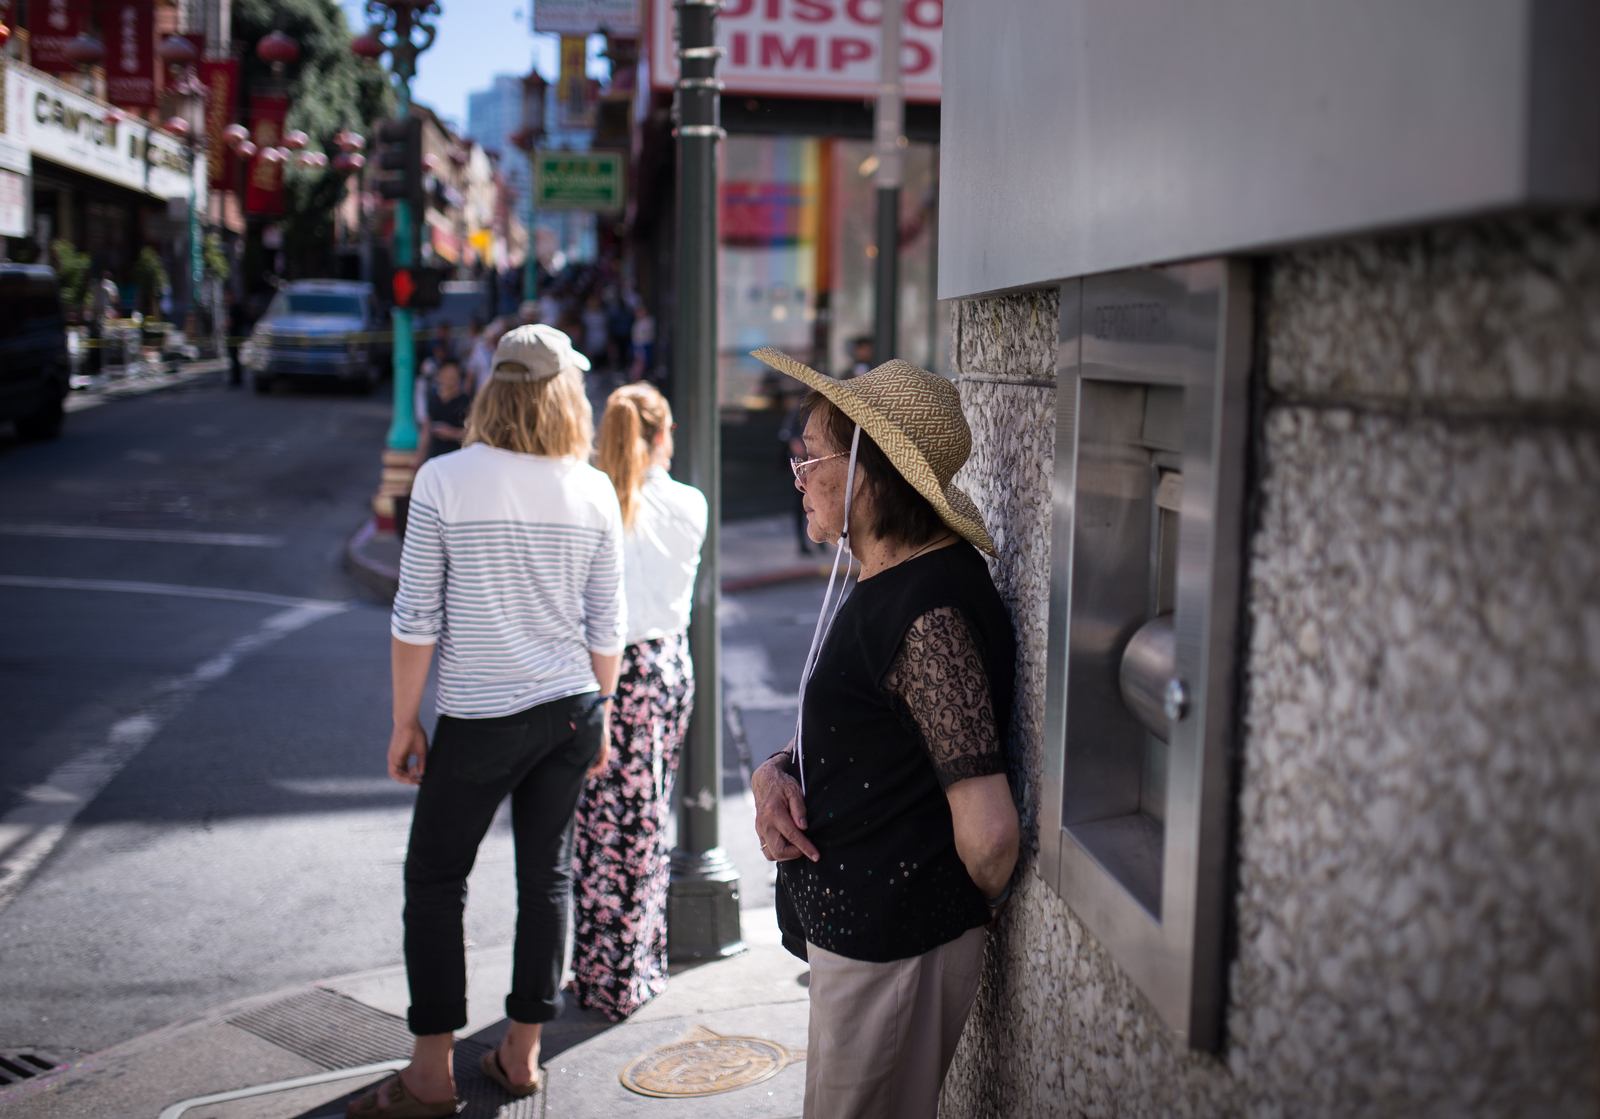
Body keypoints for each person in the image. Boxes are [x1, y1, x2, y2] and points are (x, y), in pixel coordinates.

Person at [356, 324, 624, 1118]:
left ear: (492, 389)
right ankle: (521, 1053)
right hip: (571, 711)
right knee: (546, 875)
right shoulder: (594, 488)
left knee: (436, 880)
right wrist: (601, 714)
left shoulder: (444, 479)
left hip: (479, 715)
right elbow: (607, 627)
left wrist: (407, 721)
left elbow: (415, 618)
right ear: (565, 396)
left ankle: (432, 1071)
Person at [747, 347, 1021, 1119]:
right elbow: (870, 734)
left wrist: (954, 907)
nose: (797, 475)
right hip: (864, 943)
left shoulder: (930, 611)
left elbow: (990, 834)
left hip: (894, 952)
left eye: (810, 457)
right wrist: (777, 774)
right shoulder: (887, 577)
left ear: (865, 468)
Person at [570, 383, 708, 1020]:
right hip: (667, 667)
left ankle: (600, 969)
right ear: (657, 437)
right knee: (648, 821)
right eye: (670, 430)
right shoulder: (689, 505)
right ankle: (634, 967)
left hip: (610, 671)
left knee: (601, 825)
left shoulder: (595, 502)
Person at [423, 359, 471, 459]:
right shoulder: (433, 399)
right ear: (439, 376)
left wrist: (452, 433)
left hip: (457, 457)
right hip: (434, 456)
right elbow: (426, 429)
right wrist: (419, 457)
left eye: (453, 374)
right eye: (446, 374)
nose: (449, 378)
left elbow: (473, 434)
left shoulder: (466, 402)